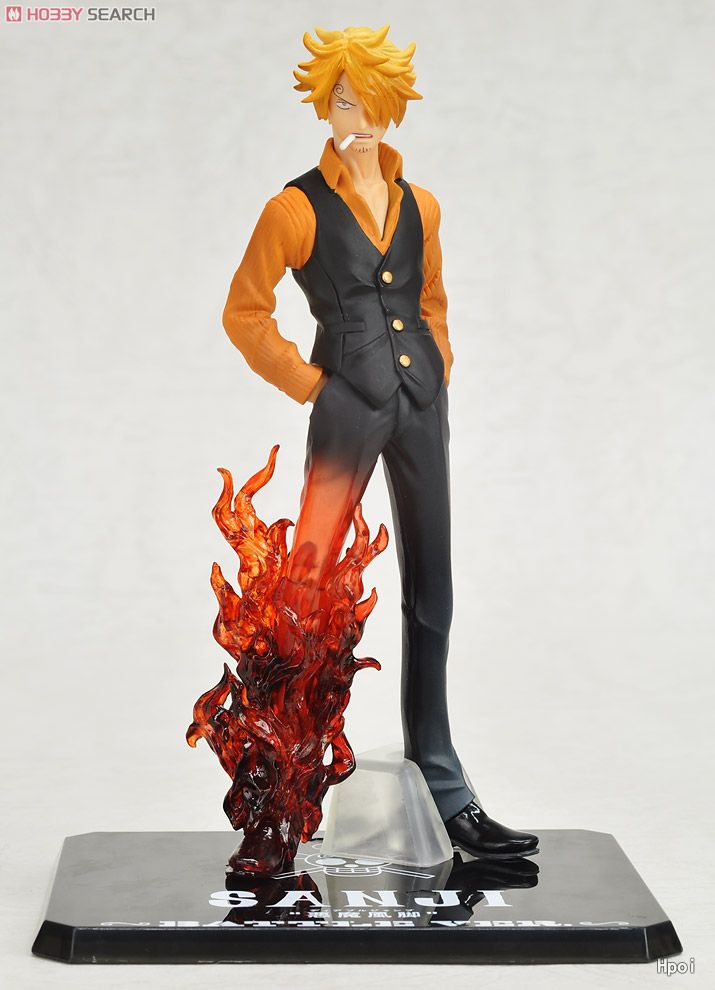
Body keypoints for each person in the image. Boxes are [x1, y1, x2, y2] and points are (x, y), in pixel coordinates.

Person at [222, 24, 538, 859]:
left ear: (391, 105)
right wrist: (311, 386)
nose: (353, 115)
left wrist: (439, 365)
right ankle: (280, 798)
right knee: (305, 599)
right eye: (339, 99)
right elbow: (244, 313)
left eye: (365, 99)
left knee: (432, 591)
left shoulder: (421, 205)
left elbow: (430, 297)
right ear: (321, 107)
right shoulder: (293, 209)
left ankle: (444, 785)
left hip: (421, 405)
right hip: (344, 407)